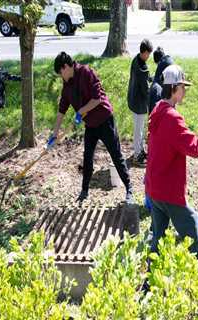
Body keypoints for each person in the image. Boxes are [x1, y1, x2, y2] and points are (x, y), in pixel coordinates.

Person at [145, 64, 198, 266]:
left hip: (154, 188)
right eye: (182, 87)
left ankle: (151, 276)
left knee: (159, 238)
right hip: (169, 191)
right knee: (192, 232)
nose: (185, 90)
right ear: (173, 88)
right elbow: (195, 147)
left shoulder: (158, 109)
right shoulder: (171, 118)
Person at [49, 52, 133, 203]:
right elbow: (62, 110)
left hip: (105, 120)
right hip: (91, 125)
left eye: (61, 72)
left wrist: (81, 111)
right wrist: (54, 134)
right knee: (87, 156)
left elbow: (97, 99)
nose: (62, 77)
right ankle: (84, 191)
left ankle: (129, 189)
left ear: (66, 67)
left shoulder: (86, 72)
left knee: (115, 154)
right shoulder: (67, 85)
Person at [128, 39, 153, 164]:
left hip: (132, 99)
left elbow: (142, 79)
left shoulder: (136, 59)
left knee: (138, 128)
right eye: (148, 54)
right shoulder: (143, 67)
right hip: (139, 103)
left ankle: (140, 150)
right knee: (139, 130)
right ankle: (137, 156)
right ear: (144, 53)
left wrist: (150, 78)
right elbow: (145, 90)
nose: (148, 57)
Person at [148, 46, 173, 114]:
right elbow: (160, 76)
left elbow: (157, 81)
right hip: (173, 90)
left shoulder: (161, 63)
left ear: (158, 61)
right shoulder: (169, 59)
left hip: (166, 93)